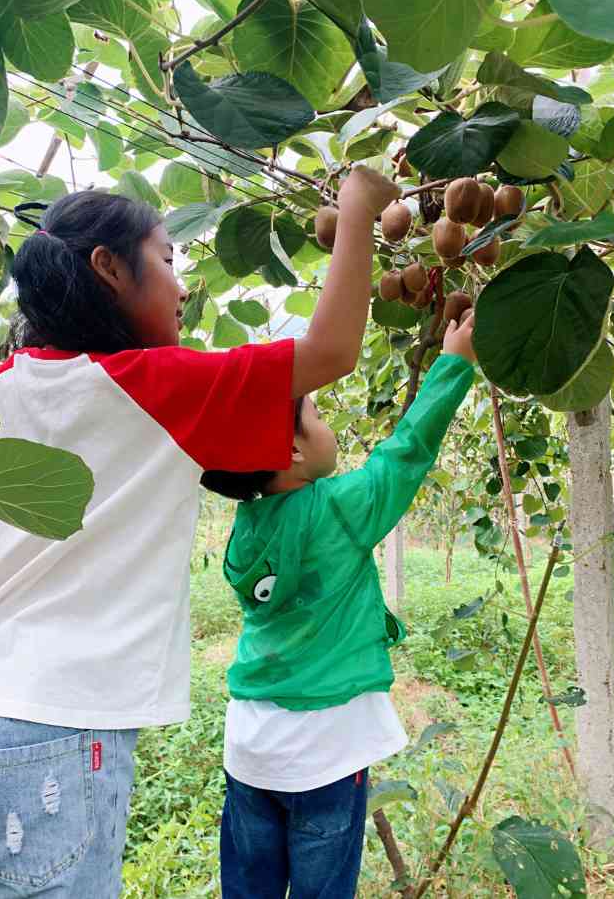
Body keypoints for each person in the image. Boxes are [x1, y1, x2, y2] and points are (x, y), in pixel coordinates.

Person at [0, 167, 399, 899]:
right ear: (109, 268)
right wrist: (357, 212)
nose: (182, 284)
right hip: (59, 729)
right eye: (168, 260)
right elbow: (329, 353)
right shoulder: (155, 383)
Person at [202, 313, 477, 899]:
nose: (327, 425)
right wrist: (454, 363)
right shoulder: (338, 509)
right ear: (293, 449)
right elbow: (404, 456)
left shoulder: (244, 531)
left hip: (250, 747)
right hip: (325, 755)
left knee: (248, 888)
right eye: (317, 416)